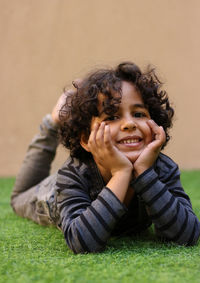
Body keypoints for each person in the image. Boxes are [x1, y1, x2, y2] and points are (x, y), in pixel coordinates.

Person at [11, 62, 200, 253]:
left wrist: (144, 173)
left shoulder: (163, 168)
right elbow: (81, 243)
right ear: (86, 138)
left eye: (138, 113)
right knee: (18, 199)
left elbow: (188, 235)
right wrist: (121, 173)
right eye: (111, 117)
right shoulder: (73, 174)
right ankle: (52, 124)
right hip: (51, 196)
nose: (129, 124)